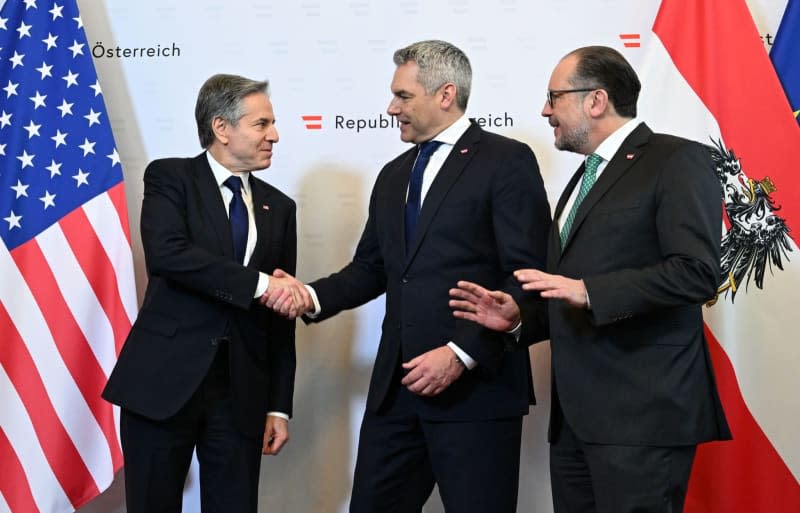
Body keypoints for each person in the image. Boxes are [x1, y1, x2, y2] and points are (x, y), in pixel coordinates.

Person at [264, 40, 550, 512]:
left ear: (445, 94)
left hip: (476, 394)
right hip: (396, 394)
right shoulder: (394, 174)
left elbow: (527, 278)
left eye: (402, 95)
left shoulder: (506, 161)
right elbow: (371, 269)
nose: (391, 107)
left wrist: (461, 355)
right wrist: (308, 297)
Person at [449, 46, 731, 513]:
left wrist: (588, 290)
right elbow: (569, 299)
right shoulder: (582, 179)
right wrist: (518, 321)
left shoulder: (677, 160)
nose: (545, 110)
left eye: (554, 97)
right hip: (576, 423)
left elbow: (697, 273)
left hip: (642, 418)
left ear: (596, 100)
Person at [102, 74, 299, 513]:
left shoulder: (280, 208)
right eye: (262, 124)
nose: (275, 135)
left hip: (241, 394)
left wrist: (279, 406)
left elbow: (279, 319)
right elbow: (169, 256)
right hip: (162, 385)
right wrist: (262, 284)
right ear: (222, 128)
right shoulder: (170, 177)